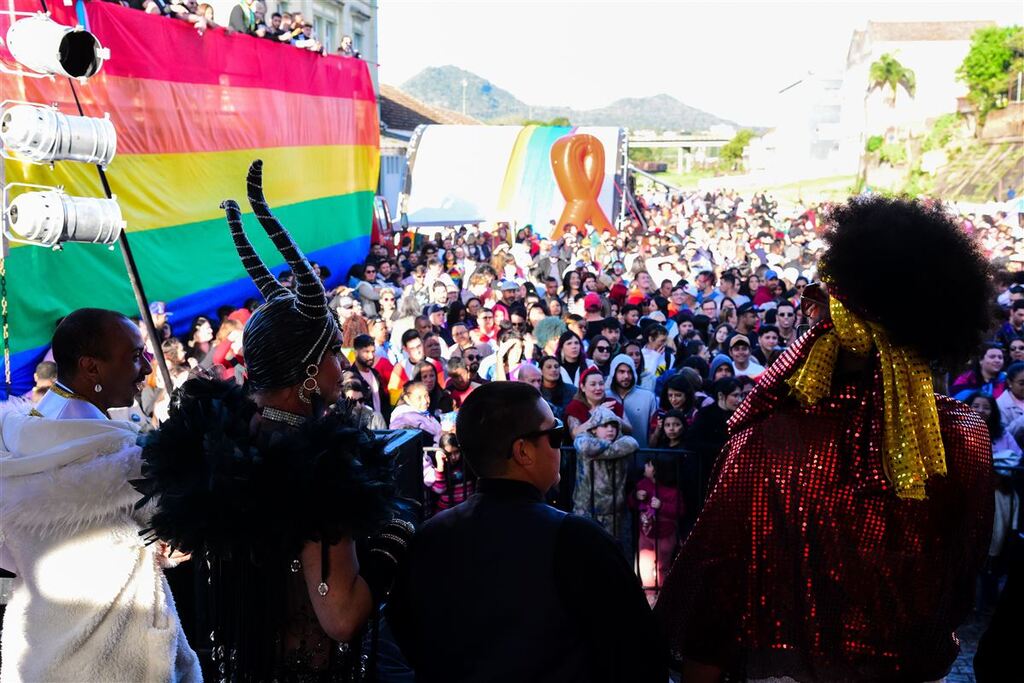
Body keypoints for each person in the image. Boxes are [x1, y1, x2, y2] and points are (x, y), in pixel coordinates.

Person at [655, 196, 995, 682]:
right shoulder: (956, 436)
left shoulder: (767, 440)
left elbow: (716, 587)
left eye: (821, 309)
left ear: (839, 326)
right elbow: (957, 578)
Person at [133, 161, 410, 680]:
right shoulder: (318, 463)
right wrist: (394, 541)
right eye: (332, 351)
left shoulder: (216, 441)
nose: (342, 364)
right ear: (308, 371)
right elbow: (342, 615)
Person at [388, 381, 667, 682]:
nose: (560, 445)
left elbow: (408, 640)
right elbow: (638, 653)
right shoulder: (578, 541)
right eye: (555, 435)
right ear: (523, 451)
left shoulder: (428, 538)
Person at [0, 308, 201, 681]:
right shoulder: (121, 457)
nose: (144, 368)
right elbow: (175, 532)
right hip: (116, 659)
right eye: (134, 356)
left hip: (40, 655)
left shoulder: (16, 445)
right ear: (91, 368)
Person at [572, 406, 638, 549]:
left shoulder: (625, 441)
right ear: (594, 428)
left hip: (613, 511)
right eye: (605, 425)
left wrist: (599, 451)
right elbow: (584, 446)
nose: (610, 429)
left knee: (609, 551)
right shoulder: (583, 439)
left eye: (613, 425)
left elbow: (633, 443)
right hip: (585, 510)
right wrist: (610, 446)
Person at [630, 456, 684, 605]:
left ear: (656, 471)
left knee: (662, 567)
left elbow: (680, 511)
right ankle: (649, 595)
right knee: (645, 565)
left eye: (648, 465)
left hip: (665, 536)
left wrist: (662, 506)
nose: (645, 467)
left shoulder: (672, 492)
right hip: (646, 534)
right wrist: (635, 496)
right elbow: (631, 503)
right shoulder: (643, 484)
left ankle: (662, 596)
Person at [606, 353, 659, 448]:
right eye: (621, 372)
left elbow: (654, 430)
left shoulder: (648, 397)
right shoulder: (604, 396)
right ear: (613, 372)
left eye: (629, 372)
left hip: (641, 456)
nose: (626, 376)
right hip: (611, 457)